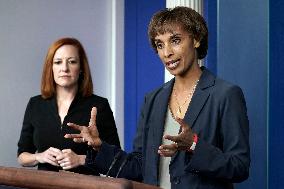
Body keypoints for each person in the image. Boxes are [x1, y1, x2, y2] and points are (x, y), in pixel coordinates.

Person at [65, 6, 250, 189]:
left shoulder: (225, 94)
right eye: (159, 44)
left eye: (175, 40)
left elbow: (239, 167)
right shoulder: (153, 99)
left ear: (197, 40)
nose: (166, 52)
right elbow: (139, 167)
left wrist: (194, 145)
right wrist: (99, 147)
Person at [17, 37, 120, 175]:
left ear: (81, 68)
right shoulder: (35, 104)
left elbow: (116, 158)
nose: (64, 68)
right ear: (51, 68)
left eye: (72, 62)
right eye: (58, 62)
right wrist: (39, 157)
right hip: (43, 185)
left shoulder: (99, 105)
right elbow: (22, 156)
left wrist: (81, 159)